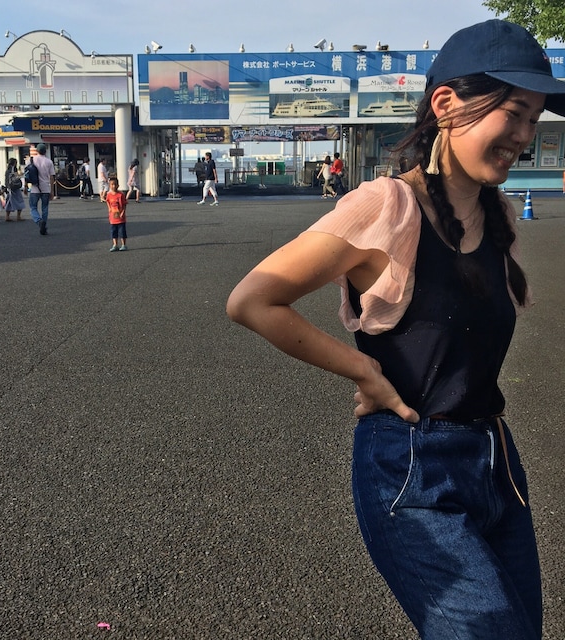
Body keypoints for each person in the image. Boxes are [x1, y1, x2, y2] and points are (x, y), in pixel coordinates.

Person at [227, 19, 565, 640]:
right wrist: (364, 370)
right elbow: (254, 299)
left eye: (535, 119)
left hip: (496, 463)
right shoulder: (387, 206)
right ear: (446, 105)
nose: (524, 135)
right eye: (514, 113)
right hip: (414, 467)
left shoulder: (497, 216)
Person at [27, 143, 56, 235]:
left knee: (33, 207)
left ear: (37, 151)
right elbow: (52, 177)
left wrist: (25, 186)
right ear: (45, 151)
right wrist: (52, 191)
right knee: (45, 208)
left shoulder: (31, 160)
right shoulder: (49, 162)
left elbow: (27, 175)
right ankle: (44, 226)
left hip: (34, 188)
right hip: (46, 188)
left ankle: (39, 221)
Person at [105, 177, 128, 251]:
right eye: (112, 184)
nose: (113, 186)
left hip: (120, 217)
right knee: (113, 232)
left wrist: (123, 212)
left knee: (122, 232)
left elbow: (124, 204)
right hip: (113, 217)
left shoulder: (120, 195)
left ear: (118, 185)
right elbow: (107, 201)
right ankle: (115, 245)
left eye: (115, 184)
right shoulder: (109, 195)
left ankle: (123, 245)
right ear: (109, 185)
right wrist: (109, 208)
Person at [4, 158, 25, 222]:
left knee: (9, 202)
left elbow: (6, 180)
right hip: (15, 187)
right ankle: (18, 216)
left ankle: (7, 216)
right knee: (20, 201)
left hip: (9, 188)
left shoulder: (7, 170)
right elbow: (16, 177)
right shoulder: (14, 169)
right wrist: (20, 175)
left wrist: (7, 186)